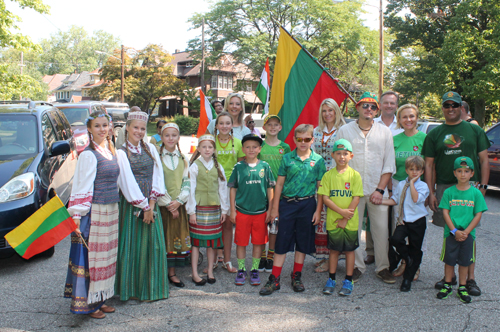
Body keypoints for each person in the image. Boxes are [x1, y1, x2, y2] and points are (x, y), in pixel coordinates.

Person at [422, 91, 490, 296]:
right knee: (448, 234)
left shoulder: (474, 130)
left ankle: (470, 279)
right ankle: (448, 278)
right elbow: (429, 164)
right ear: (442, 108)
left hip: (470, 189)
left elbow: (484, 160)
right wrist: (431, 191)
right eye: (447, 105)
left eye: (455, 105)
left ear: (461, 107)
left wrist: (484, 187)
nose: (451, 108)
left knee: (469, 235)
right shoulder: (434, 134)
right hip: (444, 187)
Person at [65, 111, 122, 318]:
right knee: (92, 259)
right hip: (95, 211)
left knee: (106, 256)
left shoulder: (110, 150)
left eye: (104, 125)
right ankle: (89, 305)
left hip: (111, 209)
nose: (101, 129)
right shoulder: (89, 154)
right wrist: (77, 217)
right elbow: (81, 186)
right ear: (89, 128)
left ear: (110, 127)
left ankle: (101, 298)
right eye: (97, 126)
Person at [336, 91, 396, 284]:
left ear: (376, 110)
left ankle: (383, 267)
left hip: (377, 189)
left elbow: (389, 164)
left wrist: (380, 190)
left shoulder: (384, 132)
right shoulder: (344, 131)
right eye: (365, 106)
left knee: (381, 231)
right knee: (353, 230)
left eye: (372, 107)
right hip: (351, 190)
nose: (368, 109)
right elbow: (338, 160)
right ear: (358, 108)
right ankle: (356, 266)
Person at [259, 124, 326, 296]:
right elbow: (279, 183)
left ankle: (296, 275)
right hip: (287, 204)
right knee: (282, 240)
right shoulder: (287, 158)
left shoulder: (318, 161)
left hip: (307, 204)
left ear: (312, 140)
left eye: (306, 139)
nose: (303, 142)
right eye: (299, 139)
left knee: (302, 242)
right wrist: (275, 208)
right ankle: (274, 278)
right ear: (294, 139)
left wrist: (318, 211)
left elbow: (321, 189)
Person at [114, 111, 169, 302]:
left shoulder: (151, 149)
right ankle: (131, 289)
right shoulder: (120, 153)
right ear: (127, 128)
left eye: (142, 128)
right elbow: (126, 182)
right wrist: (144, 207)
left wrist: (152, 204)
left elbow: (158, 175)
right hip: (132, 204)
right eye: (135, 127)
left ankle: (152, 289)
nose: (139, 131)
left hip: (150, 203)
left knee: (154, 245)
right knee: (131, 245)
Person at [436, 157, 487, 303]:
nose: (463, 174)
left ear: (472, 173)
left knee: (465, 261)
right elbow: (445, 212)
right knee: (449, 260)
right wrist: (453, 231)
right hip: (451, 233)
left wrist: (467, 231)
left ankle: (462, 286)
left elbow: (478, 214)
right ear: (454, 173)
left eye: (466, 171)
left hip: (468, 234)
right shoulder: (449, 192)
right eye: (459, 171)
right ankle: (447, 284)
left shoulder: (476, 194)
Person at [228, 134, 275, 286]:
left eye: (254, 147)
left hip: (260, 212)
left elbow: (270, 188)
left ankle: (254, 269)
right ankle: (241, 270)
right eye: (247, 147)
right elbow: (233, 188)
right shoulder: (238, 167)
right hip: (242, 211)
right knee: (241, 243)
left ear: (259, 149)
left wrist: (270, 210)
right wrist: (232, 210)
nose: (251, 149)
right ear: (243, 149)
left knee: (258, 243)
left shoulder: (265, 167)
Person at [318, 139, 363, 296]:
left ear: (351, 156)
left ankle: (348, 280)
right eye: (338, 153)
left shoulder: (355, 175)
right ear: (332, 155)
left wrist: (346, 217)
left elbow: (356, 198)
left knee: (350, 251)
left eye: (345, 154)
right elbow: (325, 198)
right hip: (334, 222)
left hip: (349, 222)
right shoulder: (328, 175)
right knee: (334, 251)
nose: (342, 157)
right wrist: (340, 212)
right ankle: (331, 279)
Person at [365, 91, 403, 266]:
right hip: (376, 179)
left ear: (396, 105)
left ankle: (394, 255)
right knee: (375, 219)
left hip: (397, 178)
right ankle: (372, 252)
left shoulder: (401, 124)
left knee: (394, 219)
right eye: (386, 103)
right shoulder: (372, 122)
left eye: (392, 103)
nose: (389, 106)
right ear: (380, 105)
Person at [186, 135, 229, 285]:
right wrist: (191, 211)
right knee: (196, 243)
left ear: (214, 149)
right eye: (203, 147)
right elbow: (190, 189)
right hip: (199, 208)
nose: (207, 149)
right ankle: (195, 273)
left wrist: (224, 210)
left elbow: (223, 189)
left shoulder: (218, 166)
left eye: (210, 147)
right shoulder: (194, 166)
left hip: (214, 208)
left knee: (212, 242)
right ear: (198, 149)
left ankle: (210, 270)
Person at [390, 104, 427, 279]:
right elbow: (390, 166)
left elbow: (429, 165)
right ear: (399, 119)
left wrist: (429, 190)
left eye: (411, 116)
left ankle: (414, 266)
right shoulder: (395, 139)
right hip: (399, 185)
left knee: (415, 231)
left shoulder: (424, 138)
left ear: (416, 117)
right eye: (404, 117)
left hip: (417, 187)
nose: (408, 120)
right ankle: (405, 260)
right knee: (400, 230)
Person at [382, 156, 429, 292]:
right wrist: (380, 201)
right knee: (395, 239)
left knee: (416, 248)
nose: (414, 172)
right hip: (403, 220)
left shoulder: (422, 186)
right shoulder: (402, 184)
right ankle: (405, 256)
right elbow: (395, 200)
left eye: (418, 170)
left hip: (417, 221)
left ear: (422, 171)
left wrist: (412, 183)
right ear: (406, 170)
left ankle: (407, 279)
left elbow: (416, 199)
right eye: (411, 169)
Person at [312, 98, 346, 273]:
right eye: (324, 111)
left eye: (330, 110)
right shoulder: (316, 131)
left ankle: (335, 257)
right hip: (319, 180)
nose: (327, 114)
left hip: (337, 178)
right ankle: (322, 256)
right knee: (322, 220)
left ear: (336, 111)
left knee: (334, 218)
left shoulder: (343, 130)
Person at [157, 123, 191, 288]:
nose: (170, 138)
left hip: (178, 205)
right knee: (162, 238)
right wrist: (169, 204)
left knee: (174, 238)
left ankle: (172, 272)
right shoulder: (157, 157)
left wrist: (179, 202)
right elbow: (156, 183)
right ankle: (159, 272)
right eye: (167, 135)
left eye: (174, 135)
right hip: (162, 207)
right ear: (162, 137)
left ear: (178, 137)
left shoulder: (183, 158)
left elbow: (187, 182)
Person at [211, 111, 245, 273]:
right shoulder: (210, 142)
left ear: (232, 125)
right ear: (216, 126)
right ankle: (214, 260)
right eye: (221, 123)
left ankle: (226, 259)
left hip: (231, 189)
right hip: (212, 187)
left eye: (227, 123)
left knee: (227, 224)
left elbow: (240, 168)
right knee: (213, 224)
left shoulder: (238, 143)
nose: (224, 126)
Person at [257, 115, 291, 273]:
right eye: (269, 124)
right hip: (261, 191)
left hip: (279, 192)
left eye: (275, 124)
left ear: (280, 128)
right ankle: (261, 255)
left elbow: (288, 169)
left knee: (274, 225)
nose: (272, 127)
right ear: (264, 127)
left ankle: (271, 254)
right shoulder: (260, 146)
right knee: (261, 224)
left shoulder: (285, 147)